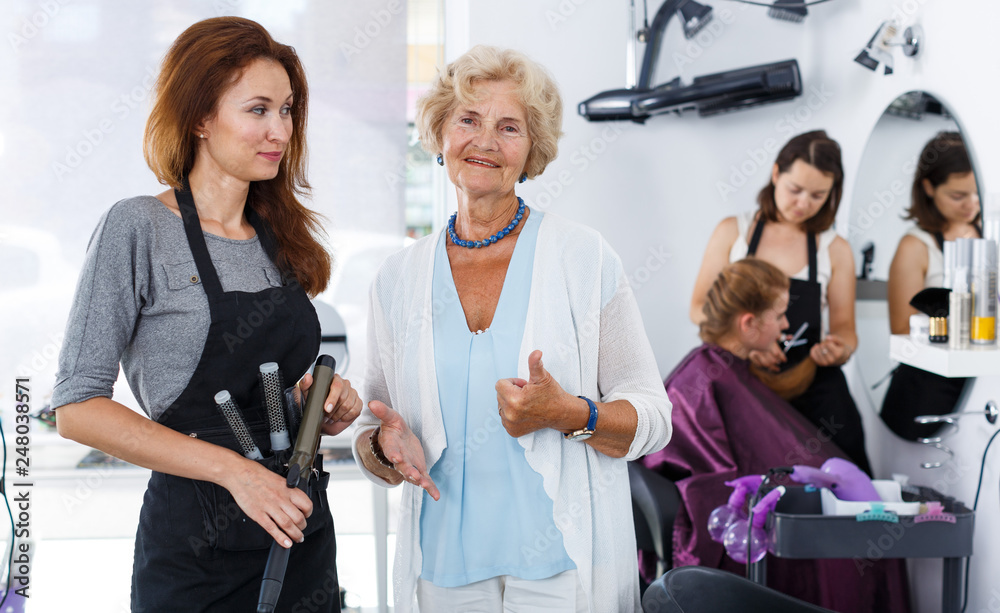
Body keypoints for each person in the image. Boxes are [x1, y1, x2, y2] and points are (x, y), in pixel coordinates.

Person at [51, 17, 362, 612]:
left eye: (288, 110)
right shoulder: (138, 227)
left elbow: (269, 382)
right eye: (258, 109)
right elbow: (77, 408)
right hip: (196, 554)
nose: (280, 130)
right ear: (199, 118)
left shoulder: (281, 236)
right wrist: (235, 473)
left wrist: (314, 403)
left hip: (301, 534)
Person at [349, 45, 672, 612]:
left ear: (532, 150)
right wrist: (381, 446)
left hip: (564, 568)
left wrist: (570, 414)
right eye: (468, 120)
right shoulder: (398, 279)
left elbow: (653, 419)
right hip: (442, 568)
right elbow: (375, 433)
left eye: (509, 127)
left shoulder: (582, 258)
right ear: (441, 132)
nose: (485, 142)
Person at [643, 259, 910, 612]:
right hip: (749, 518)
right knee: (850, 532)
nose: (787, 325)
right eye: (780, 315)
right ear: (749, 323)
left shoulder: (719, 368)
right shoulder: (707, 381)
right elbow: (715, 479)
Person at [689, 130, 871, 474]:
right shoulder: (734, 232)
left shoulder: (835, 249)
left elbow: (846, 331)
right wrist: (748, 344)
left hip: (812, 389)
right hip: (742, 383)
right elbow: (699, 308)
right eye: (795, 190)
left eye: (818, 195)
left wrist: (838, 349)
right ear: (775, 175)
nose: (803, 203)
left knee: (845, 481)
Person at [882, 131, 981, 440]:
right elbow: (901, 327)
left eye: (976, 193)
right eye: (957, 195)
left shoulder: (990, 234)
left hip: (980, 387)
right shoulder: (916, 245)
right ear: (928, 187)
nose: (971, 204)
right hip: (925, 389)